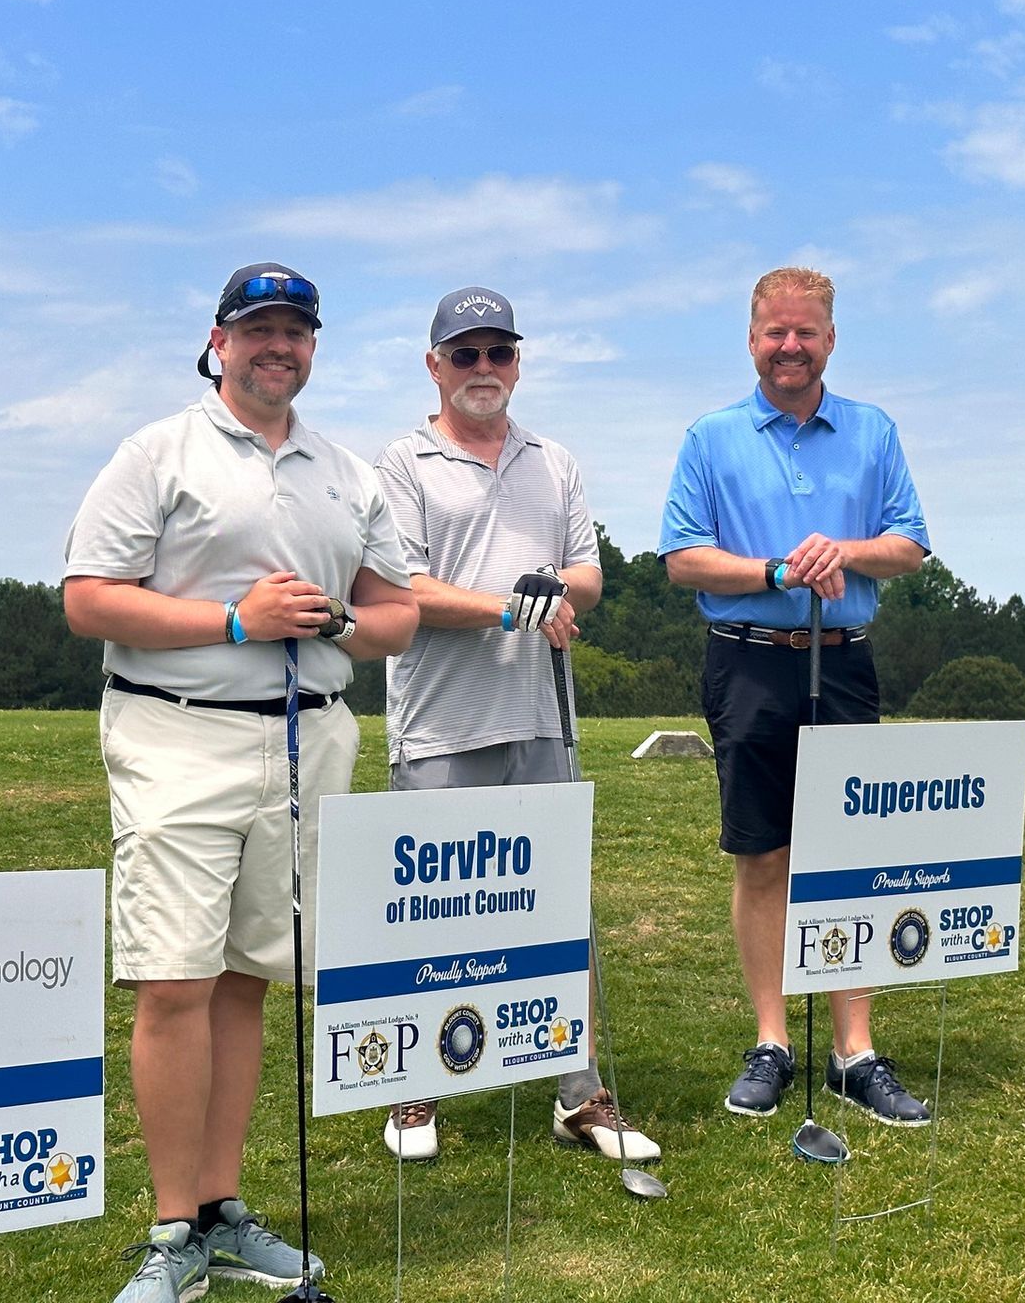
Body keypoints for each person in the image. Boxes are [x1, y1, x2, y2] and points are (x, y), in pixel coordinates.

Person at [64, 263, 417, 1301]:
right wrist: (234, 622)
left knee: (246, 979)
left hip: (309, 739)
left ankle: (222, 1209)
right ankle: (174, 1229)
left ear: (314, 347)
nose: (279, 346)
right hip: (177, 737)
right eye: (259, 328)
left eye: (297, 331)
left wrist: (338, 623)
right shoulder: (158, 453)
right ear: (219, 341)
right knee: (173, 979)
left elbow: (393, 612)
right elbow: (90, 599)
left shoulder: (346, 472)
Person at [371, 285, 660, 1164]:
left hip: (541, 714)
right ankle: (412, 1090)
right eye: (466, 354)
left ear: (519, 362)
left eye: (499, 353)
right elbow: (406, 591)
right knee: (429, 919)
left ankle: (580, 1093)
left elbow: (589, 574)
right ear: (435, 366)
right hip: (440, 723)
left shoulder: (554, 461)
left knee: (554, 910)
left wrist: (544, 601)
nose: (484, 369)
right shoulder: (402, 463)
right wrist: (512, 610)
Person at [658, 265, 934, 1126]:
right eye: (775, 332)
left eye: (805, 332)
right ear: (752, 340)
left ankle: (855, 1049)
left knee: (846, 857)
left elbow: (911, 545)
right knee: (763, 854)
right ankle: (774, 1040)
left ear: (830, 340)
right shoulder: (711, 436)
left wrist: (842, 554)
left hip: (844, 658)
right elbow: (681, 559)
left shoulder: (874, 430)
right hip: (747, 662)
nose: (790, 346)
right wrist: (777, 570)